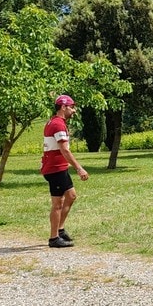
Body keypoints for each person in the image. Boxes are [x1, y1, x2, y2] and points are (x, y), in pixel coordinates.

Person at [41, 95, 89, 248]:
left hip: (57, 167)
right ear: (63, 107)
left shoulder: (55, 122)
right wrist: (79, 168)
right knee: (58, 203)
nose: (73, 110)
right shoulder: (58, 125)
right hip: (55, 169)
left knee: (71, 195)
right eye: (71, 107)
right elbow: (64, 150)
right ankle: (54, 238)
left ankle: (60, 230)